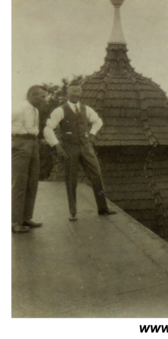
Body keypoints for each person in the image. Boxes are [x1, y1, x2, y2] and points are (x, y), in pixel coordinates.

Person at [43, 85, 116, 221]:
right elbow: (48, 128)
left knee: (96, 174)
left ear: (81, 94)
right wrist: (56, 145)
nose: (76, 94)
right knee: (71, 179)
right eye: (73, 92)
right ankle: (73, 212)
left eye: (78, 92)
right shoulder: (60, 110)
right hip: (69, 148)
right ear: (67, 93)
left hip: (86, 147)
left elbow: (98, 121)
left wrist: (93, 134)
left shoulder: (86, 109)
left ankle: (103, 208)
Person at [12, 86, 48, 233]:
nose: (44, 100)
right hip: (20, 144)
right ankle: (14, 222)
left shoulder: (36, 110)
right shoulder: (18, 108)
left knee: (32, 182)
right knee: (19, 183)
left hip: (33, 144)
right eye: (42, 97)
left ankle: (25, 218)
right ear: (32, 95)